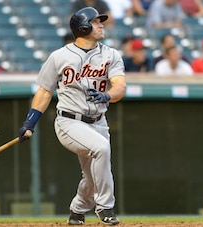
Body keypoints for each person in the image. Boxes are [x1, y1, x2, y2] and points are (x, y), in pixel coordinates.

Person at [18, 7, 126, 225]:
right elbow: (45, 91)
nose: (101, 24)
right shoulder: (59, 56)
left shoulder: (111, 55)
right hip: (69, 121)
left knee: (93, 174)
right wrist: (30, 122)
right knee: (101, 150)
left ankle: (77, 209)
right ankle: (105, 206)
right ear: (83, 27)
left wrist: (107, 95)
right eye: (96, 22)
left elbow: (120, 87)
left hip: (99, 122)